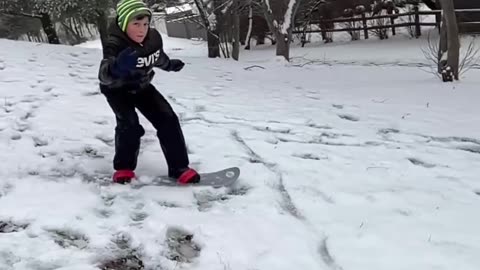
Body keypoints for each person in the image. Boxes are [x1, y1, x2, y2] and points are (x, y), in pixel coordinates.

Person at [97, 0, 200, 184]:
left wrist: (170, 65)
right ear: (123, 24)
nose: (141, 29)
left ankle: (179, 167)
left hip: (142, 86)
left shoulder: (152, 39)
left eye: (145, 24)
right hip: (117, 89)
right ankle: (124, 168)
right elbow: (103, 76)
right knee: (129, 125)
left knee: (168, 119)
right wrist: (117, 67)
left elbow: (157, 57)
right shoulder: (114, 43)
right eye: (135, 24)